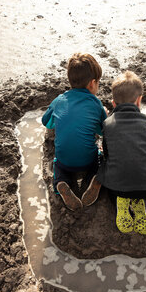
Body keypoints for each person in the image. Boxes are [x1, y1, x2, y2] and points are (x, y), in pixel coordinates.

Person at [95, 71, 146, 234]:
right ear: (139, 101)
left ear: (113, 103)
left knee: (101, 162)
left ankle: (120, 202)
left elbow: (109, 156)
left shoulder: (107, 124)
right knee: (145, 173)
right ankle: (138, 201)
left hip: (115, 186)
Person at [42, 53, 106, 211]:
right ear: (92, 84)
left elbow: (46, 121)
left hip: (65, 160)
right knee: (98, 158)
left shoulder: (59, 100)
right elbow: (103, 130)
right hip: (87, 160)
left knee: (58, 165)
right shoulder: (96, 104)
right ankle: (94, 178)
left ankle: (61, 183)